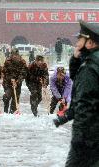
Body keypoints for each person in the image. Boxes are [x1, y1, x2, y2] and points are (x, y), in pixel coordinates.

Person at [58, 20, 99, 167]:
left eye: (80, 39)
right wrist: (76, 59)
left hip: (90, 134)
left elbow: (85, 103)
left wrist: (79, 136)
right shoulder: (91, 62)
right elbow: (78, 79)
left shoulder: (90, 67)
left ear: (91, 43)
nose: (77, 43)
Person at [2, 48, 27, 114]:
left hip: (18, 84)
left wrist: (18, 81)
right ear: (11, 55)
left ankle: (11, 113)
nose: (14, 56)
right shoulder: (7, 61)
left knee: (15, 99)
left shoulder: (22, 62)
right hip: (8, 83)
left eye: (16, 54)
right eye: (13, 55)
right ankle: (5, 110)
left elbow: (24, 73)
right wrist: (10, 79)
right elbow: (4, 72)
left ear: (18, 55)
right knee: (7, 96)